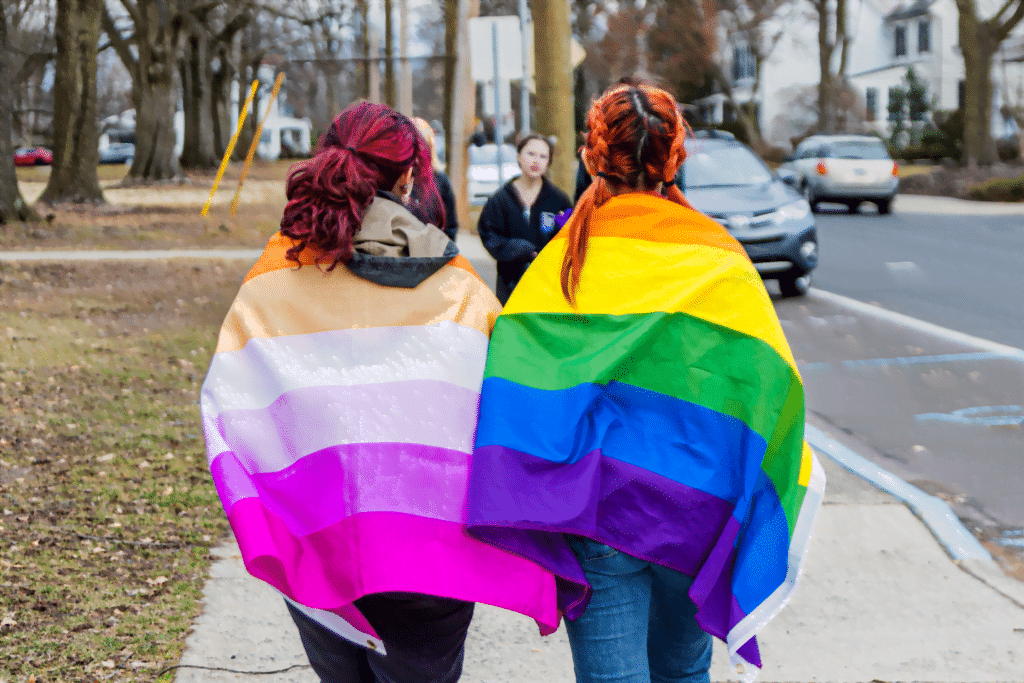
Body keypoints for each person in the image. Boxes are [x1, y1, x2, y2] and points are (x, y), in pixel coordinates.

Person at [467, 84, 826, 682]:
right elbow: (769, 382)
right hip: (696, 508)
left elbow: (516, 377)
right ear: (675, 160)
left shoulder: (566, 260)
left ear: (592, 159)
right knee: (684, 675)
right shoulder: (719, 260)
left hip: (598, 507)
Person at [200, 102, 560, 683]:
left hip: (318, 541)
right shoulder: (460, 294)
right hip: (430, 553)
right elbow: (504, 412)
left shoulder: (273, 281)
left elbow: (231, 404)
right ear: (412, 176)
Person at [476, 134, 572, 304]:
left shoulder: (558, 200)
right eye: (531, 154)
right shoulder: (500, 200)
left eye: (543, 156)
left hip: (548, 289)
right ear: (519, 157)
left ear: (548, 162)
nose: (536, 161)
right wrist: (518, 249)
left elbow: (570, 237)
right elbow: (489, 235)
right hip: (511, 288)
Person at [411, 117, 459, 241]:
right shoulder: (394, 177)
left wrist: (443, 252)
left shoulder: (440, 180)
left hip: (434, 253)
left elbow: (450, 225)